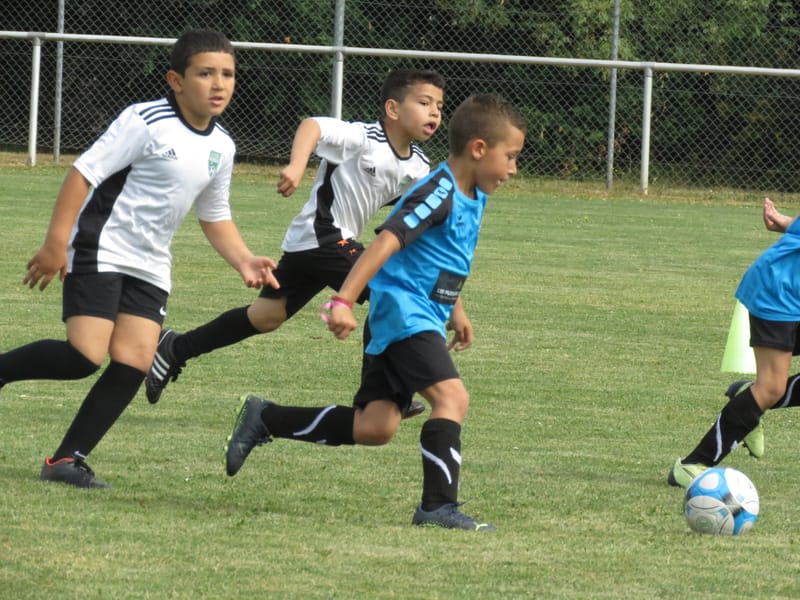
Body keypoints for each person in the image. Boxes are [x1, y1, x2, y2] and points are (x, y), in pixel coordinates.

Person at [223, 93, 526, 531]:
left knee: (375, 427)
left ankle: (265, 417)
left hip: (418, 314)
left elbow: (444, 255)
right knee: (452, 399)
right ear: (479, 148)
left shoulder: (473, 193)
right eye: (510, 157)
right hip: (404, 314)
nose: (513, 169)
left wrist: (456, 309)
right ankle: (437, 507)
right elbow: (386, 242)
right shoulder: (438, 191)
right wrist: (343, 301)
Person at [0, 29, 279, 488]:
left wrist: (244, 260)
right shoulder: (146, 121)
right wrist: (55, 243)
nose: (219, 84)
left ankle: (66, 460)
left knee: (135, 360)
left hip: (151, 262)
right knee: (85, 355)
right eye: (205, 73)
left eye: (227, 74)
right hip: (102, 246)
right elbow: (83, 174)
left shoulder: (223, 145)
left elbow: (215, 214)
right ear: (176, 80)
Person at [145, 69, 446, 420]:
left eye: (439, 106)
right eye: (424, 103)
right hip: (324, 236)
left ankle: (175, 347)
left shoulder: (419, 166)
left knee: (265, 316)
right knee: (388, 289)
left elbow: (410, 216)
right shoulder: (363, 137)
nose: (434, 112)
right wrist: (297, 165)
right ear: (393, 109)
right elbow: (311, 126)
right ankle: (381, 396)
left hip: (315, 244)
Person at [668, 196, 800, 487]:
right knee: (771, 387)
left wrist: (786, 223)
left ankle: (749, 397)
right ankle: (693, 464)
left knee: (768, 390)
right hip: (779, 291)